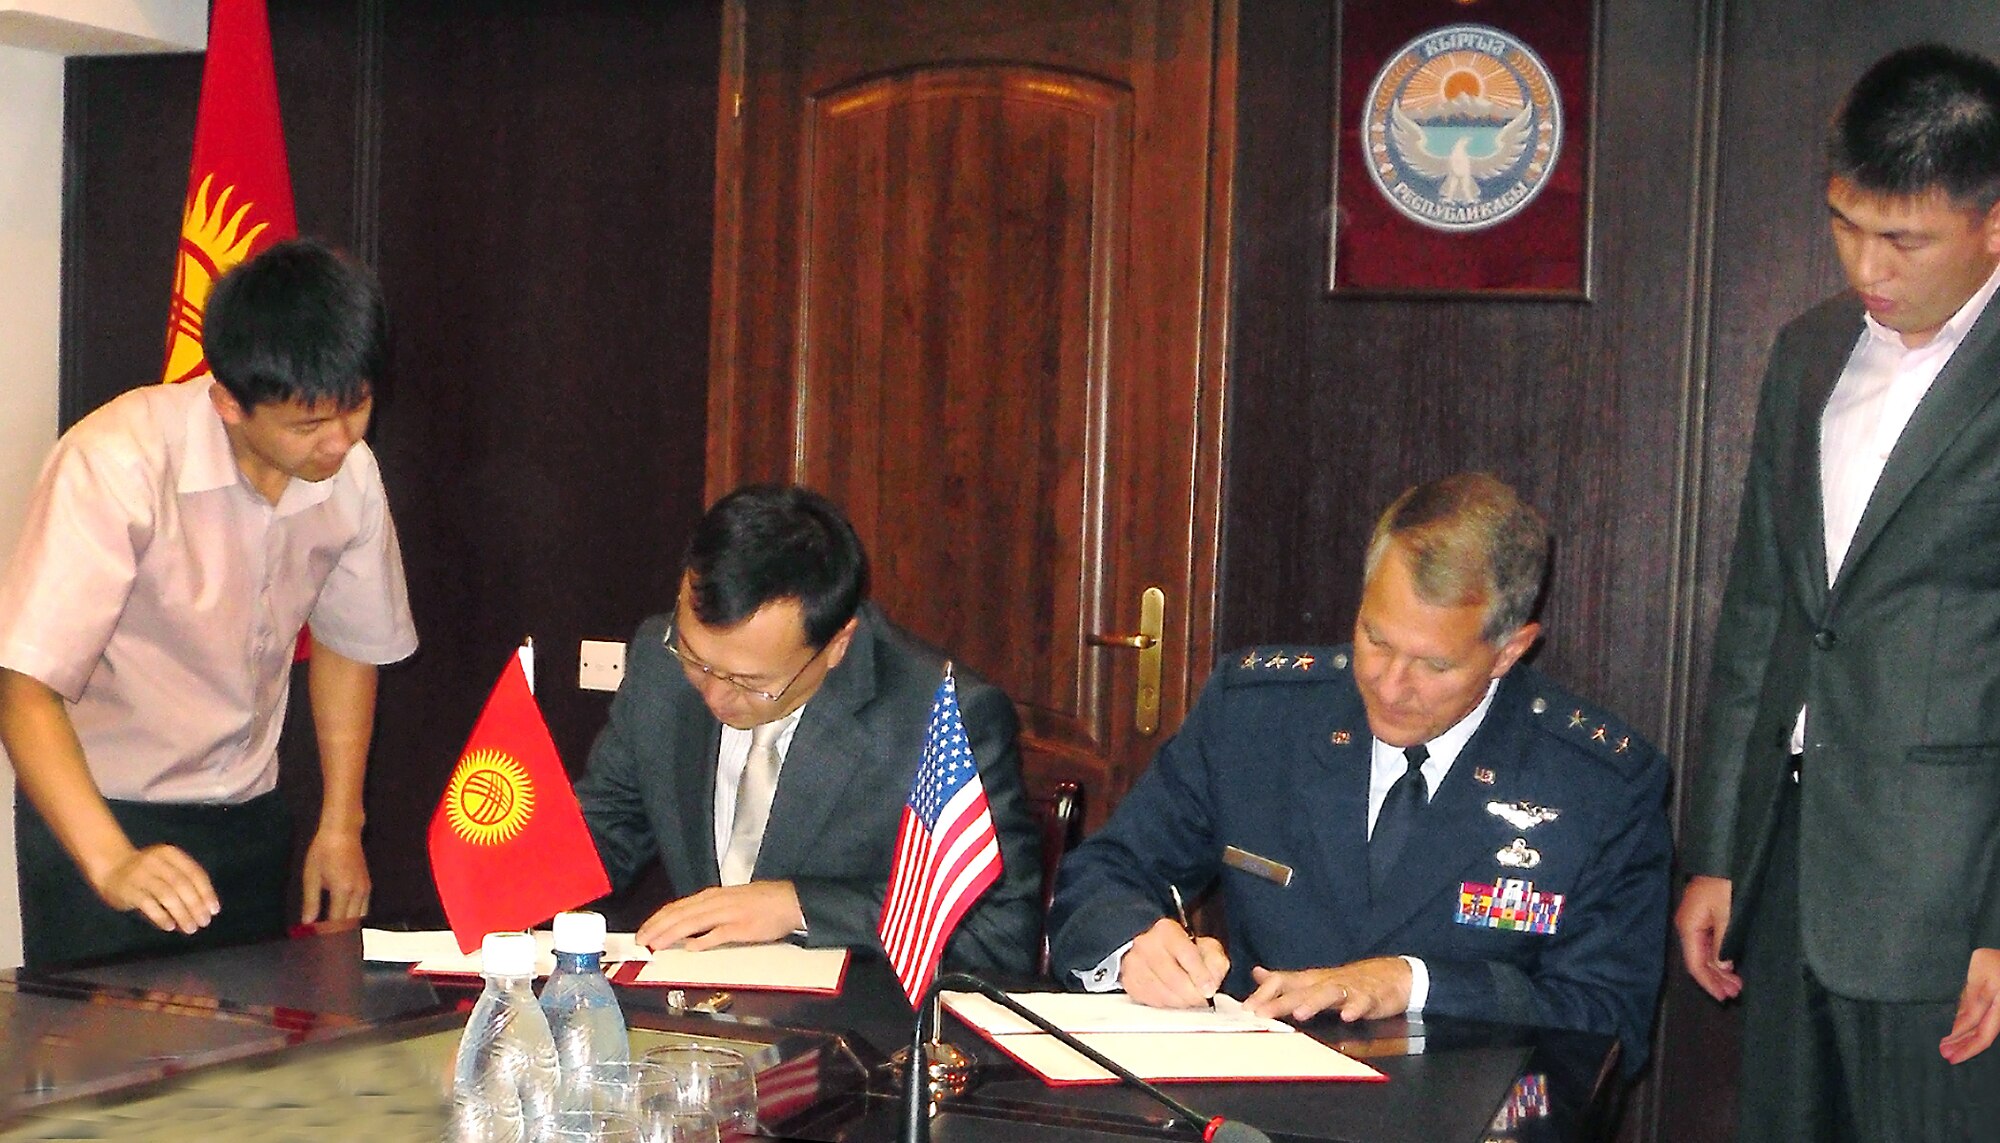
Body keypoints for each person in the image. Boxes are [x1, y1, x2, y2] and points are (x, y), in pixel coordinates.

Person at [1047, 473, 1671, 1072]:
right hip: (1252, 1107)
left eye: (1433, 664)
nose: (1390, 685)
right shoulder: (1257, 717)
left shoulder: (1598, 786)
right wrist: (1135, 944)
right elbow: (1107, 871)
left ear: (1509, 650)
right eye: (1376, 640)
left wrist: (1415, 983)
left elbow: (1607, 1017)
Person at [1677, 44, 2000, 1139]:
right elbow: (1760, 614)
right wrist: (1716, 850)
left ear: (1991, 222)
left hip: (1952, 896)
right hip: (1788, 864)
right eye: (1843, 222)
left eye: (1902, 237)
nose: (1867, 263)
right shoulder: (1807, 352)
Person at [0, 238, 418, 968]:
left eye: (355, 408)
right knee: (104, 1071)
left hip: (249, 817)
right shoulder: (115, 462)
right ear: (229, 401)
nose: (340, 441)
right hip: (105, 814)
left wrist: (340, 822)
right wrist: (112, 862)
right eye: (307, 425)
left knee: (244, 1071)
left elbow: (350, 643)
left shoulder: (352, 473)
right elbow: (22, 688)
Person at [574, 483, 1039, 973]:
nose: (714, 694)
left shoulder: (940, 716)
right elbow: (606, 826)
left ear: (838, 645)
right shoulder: (657, 659)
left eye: (752, 683)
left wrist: (799, 907)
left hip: (857, 1030)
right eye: (695, 659)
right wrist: (505, 876)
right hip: (697, 1019)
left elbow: (1001, 935)